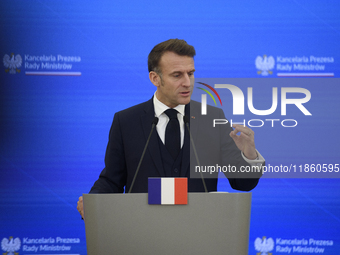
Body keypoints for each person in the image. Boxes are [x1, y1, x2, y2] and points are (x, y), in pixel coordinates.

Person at [77, 39, 264, 219]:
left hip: (200, 235)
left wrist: (250, 156)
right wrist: (93, 202)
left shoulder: (212, 118)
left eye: (190, 73)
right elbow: (112, 181)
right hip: (142, 236)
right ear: (155, 78)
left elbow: (243, 183)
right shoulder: (126, 121)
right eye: (177, 75)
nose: (187, 83)